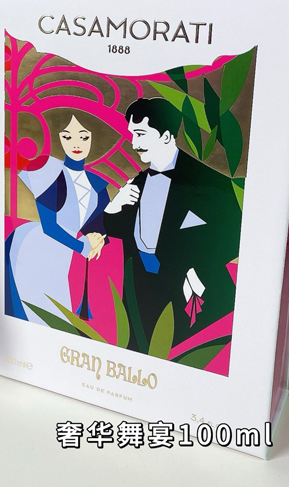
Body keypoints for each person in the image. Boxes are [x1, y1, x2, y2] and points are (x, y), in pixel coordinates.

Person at [103, 98, 241, 351]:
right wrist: (114, 206)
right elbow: (116, 230)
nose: (134, 143)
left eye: (141, 134)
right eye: (132, 135)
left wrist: (194, 267)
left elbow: (234, 234)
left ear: (166, 136)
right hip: (139, 290)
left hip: (189, 290)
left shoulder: (210, 183)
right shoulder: (137, 183)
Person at [6, 108, 115, 324]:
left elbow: (100, 224)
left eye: (83, 137)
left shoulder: (97, 184)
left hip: (66, 255)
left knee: (59, 312)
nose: (76, 144)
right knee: (38, 308)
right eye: (68, 137)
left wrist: (99, 239)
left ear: (93, 137)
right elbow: (50, 227)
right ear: (59, 138)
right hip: (36, 247)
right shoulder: (48, 172)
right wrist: (83, 246)